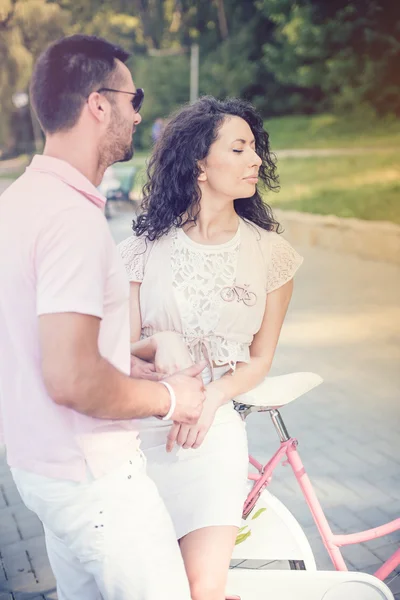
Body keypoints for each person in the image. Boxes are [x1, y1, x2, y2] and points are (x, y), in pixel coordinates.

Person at [0, 34, 206, 600]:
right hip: (95, 481)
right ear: (98, 103)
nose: (139, 114)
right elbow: (71, 378)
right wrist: (172, 400)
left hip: (43, 473)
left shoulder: (17, 203)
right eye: (133, 99)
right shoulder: (69, 217)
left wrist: (124, 362)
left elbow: (39, 341)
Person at [118, 96, 304, 600]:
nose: (256, 161)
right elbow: (118, 353)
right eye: (239, 148)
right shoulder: (141, 251)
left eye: (255, 149)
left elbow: (260, 359)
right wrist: (163, 340)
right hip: (139, 434)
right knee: (144, 587)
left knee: (202, 589)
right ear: (199, 163)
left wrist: (216, 398)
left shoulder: (272, 255)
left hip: (212, 434)